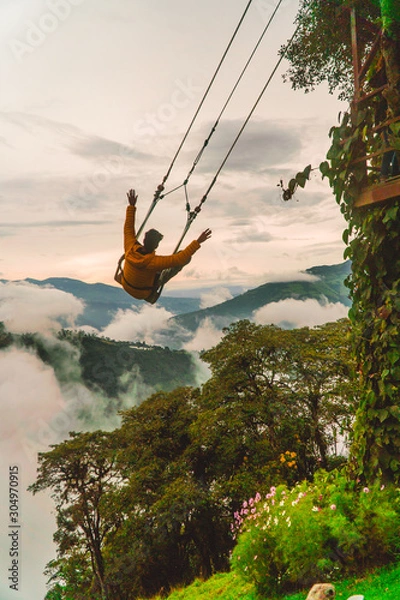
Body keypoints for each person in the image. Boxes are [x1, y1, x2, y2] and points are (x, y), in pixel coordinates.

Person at [114, 189, 212, 303]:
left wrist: (131, 206)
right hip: (143, 293)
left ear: (144, 240)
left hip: (126, 283)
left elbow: (128, 228)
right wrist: (198, 242)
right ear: (156, 246)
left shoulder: (130, 247)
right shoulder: (154, 262)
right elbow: (179, 259)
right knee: (181, 260)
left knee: (135, 243)